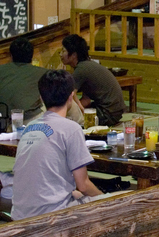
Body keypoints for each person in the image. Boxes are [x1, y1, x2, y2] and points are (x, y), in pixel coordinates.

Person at [11, 70, 103, 220]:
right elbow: (84, 184)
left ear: (41, 98)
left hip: (20, 214)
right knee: (119, 200)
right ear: (70, 98)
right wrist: (106, 198)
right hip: (52, 216)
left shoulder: (29, 127)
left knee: (76, 194)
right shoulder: (71, 129)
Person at [60, 34, 126, 126]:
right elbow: (86, 100)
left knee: (68, 119)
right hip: (114, 112)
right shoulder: (87, 65)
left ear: (74, 55)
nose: (60, 54)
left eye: (63, 51)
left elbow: (71, 94)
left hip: (107, 114)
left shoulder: (81, 69)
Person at [0, 36, 47, 123]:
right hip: (32, 120)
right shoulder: (42, 72)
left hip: (4, 121)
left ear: (11, 55)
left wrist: (0, 93)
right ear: (31, 56)